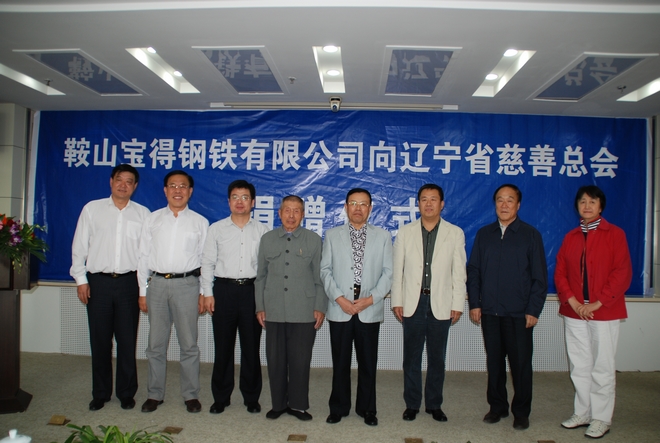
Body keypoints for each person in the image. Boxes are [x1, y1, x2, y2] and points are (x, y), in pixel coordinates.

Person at [467, 183, 547, 430]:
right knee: (494, 363)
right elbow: (474, 271)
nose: (504, 205)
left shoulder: (530, 235)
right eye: (500, 200)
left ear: (518, 205)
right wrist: (475, 303)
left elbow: (539, 277)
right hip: (490, 312)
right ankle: (497, 407)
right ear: (495, 205)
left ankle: (521, 412)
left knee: (520, 364)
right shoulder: (484, 234)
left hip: (519, 314)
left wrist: (533, 309)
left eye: (509, 200)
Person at [70, 164, 150, 411]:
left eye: (129, 181)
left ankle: (126, 393)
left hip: (128, 283)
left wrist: (143, 289)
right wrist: (81, 280)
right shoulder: (92, 209)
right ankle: (101, 393)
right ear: (111, 181)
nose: (123, 185)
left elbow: (145, 256)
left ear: (135, 186)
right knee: (100, 340)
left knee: (127, 341)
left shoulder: (143, 214)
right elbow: (79, 247)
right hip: (98, 283)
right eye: (119, 180)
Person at [555, 185, 632, 439]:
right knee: (579, 365)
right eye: (582, 201)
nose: (587, 206)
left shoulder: (615, 234)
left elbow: (622, 273)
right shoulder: (571, 237)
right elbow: (560, 273)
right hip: (574, 312)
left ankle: (601, 418)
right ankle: (583, 412)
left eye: (592, 201)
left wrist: (596, 303)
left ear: (601, 206)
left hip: (604, 311)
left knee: (602, 366)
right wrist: (574, 303)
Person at [391, 183, 466, 423]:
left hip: (441, 302)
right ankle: (412, 404)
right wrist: (397, 300)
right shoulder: (406, 232)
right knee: (411, 358)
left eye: (433, 199)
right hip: (413, 302)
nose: (429, 203)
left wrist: (458, 303)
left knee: (437, 358)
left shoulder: (455, 233)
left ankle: (434, 404)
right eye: (424, 199)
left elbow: (459, 272)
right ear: (418, 204)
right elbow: (398, 270)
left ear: (442, 204)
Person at [137, 170, 209, 413]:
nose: (178, 190)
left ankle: (191, 395)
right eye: (173, 186)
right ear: (165, 190)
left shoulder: (200, 222)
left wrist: (203, 291)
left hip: (187, 285)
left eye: (183, 186)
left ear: (190, 191)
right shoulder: (153, 219)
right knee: (155, 344)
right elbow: (143, 256)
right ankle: (154, 394)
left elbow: (205, 260)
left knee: (189, 344)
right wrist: (142, 290)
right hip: (156, 284)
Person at [320, 188, 393, 427]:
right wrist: (339, 298)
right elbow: (325, 271)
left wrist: (370, 299)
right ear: (345, 207)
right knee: (340, 362)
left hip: (368, 308)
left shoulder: (383, 236)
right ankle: (338, 408)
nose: (358, 208)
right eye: (353, 203)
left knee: (368, 363)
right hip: (340, 307)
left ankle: (367, 409)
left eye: (363, 204)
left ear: (370, 208)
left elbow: (388, 273)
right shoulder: (332, 235)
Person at [254, 195, 327, 421]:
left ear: (303, 214)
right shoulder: (267, 239)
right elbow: (260, 276)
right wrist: (260, 306)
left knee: (300, 361)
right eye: (287, 210)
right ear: (279, 213)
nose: (291, 215)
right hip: (273, 308)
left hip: (304, 309)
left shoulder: (313, 240)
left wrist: (320, 306)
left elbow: (320, 278)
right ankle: (278, 404)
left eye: (297, 211)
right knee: (275, 360)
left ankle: (298, 405)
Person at [201, 180, 269, 415]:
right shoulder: (216, 229)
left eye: (245, 197)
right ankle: (221, 397)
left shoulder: (262, 231)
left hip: (251, 291)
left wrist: (263, 300)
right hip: (223, 291)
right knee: (223, 347)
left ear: (253, 202)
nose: (240, 202)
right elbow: (207, 263)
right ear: (228, 201)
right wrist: (208, 293)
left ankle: (251, 397)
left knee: (251, 347)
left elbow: (266, 269)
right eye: (235, 197)